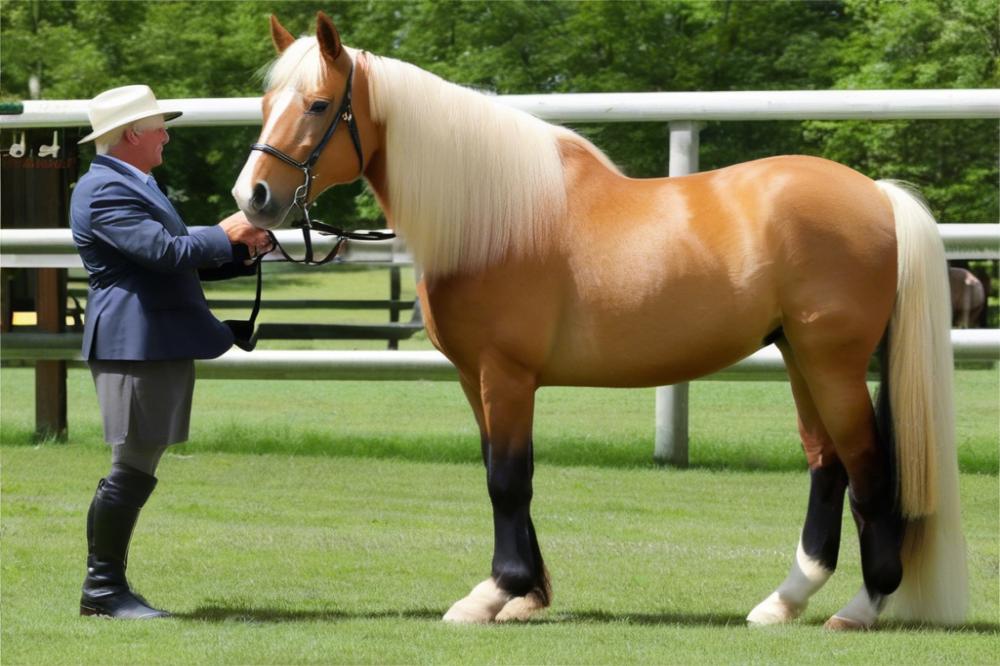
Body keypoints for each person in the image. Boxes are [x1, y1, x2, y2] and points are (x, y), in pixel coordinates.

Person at [70, 85, 273, 619]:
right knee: (132, 461)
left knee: (140, 459)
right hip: (135, 344)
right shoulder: (103, 190)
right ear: (133, 133)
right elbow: (161, 253)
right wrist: (224, 230)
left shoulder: (136, 183)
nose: (166, 134)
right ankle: (102, 591)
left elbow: (178, 260)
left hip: (154, 339)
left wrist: (242, 249)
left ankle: (106, 588)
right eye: (159, 125)